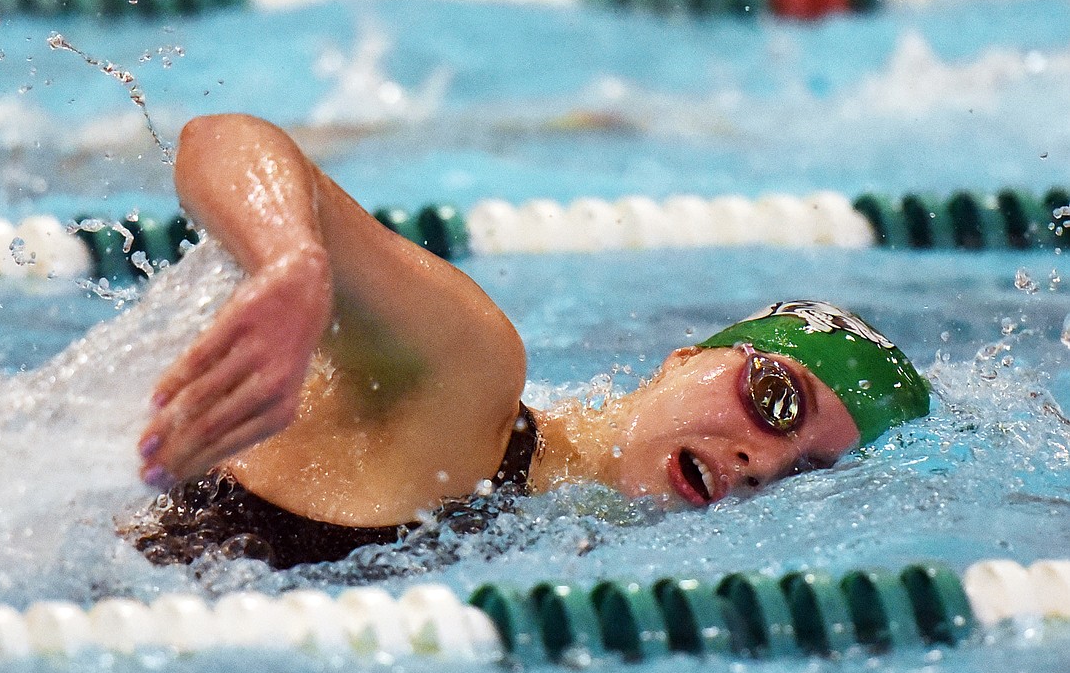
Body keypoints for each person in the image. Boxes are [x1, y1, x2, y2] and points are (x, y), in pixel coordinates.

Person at [124, 113, 930, 569]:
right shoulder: (468, 375)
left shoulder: (550, 521)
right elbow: (223, 139)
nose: (767, 464)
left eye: (808, 473)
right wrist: (293, 264)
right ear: (686, 358)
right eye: (777, 402)